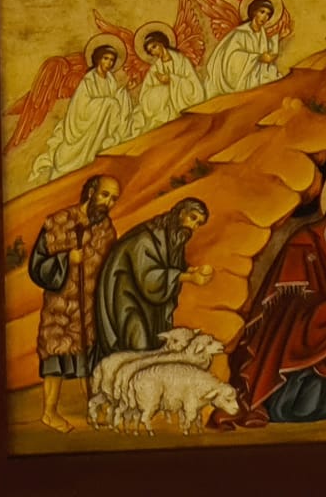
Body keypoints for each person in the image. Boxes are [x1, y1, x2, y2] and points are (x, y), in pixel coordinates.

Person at [217, 176, 326, 426]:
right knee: (291, 399)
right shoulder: (304, 241)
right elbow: (299, 297)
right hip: (298, 325)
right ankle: (284, 401)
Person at [28, 174, 121, 432]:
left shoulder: (106, 229)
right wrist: (66, 260)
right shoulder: (59, 221)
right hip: (60, 307)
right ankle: (49, 413)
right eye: (105, 195)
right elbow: (37, 265)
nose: (108, 202)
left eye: (113, 199)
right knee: (55, 355)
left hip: (89, 307)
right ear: (91, 192)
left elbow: (111, 266)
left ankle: (92, 409)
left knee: (87, 358)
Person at [91, 197, 213, 362]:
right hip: (127, 300)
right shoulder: (146, 238)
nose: (193, 226)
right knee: (138, 349)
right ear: (181, 213)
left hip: (146, 305)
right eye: (192, 218)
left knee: (152, 351)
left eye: (198, 223)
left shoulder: (172, 237)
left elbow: (169, 264)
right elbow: (149, 279)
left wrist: (189, 270)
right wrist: (187, 277)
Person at [29, 39, 137, 184]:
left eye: (112, 60)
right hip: (85, 126)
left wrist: (125, 90)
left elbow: (115, 100)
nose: (109, 63)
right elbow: (81, 107)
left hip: (101, 127)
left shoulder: (110, 80)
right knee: (70, 160)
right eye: (106, 58)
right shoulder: (89, 81)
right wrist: (106, 103)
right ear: (98, 59)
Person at [203, 0, 282, 97]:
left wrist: (275, 42)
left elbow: (270, 57)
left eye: (268, 14)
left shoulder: (264, 36)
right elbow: (230, 57)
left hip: (258, 80)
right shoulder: (240, 34)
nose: (265, 17)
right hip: (241, 82)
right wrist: (257, 57)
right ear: (254, 12)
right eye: (262, 12)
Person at [133, 28, 206, 129]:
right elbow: (144, 96)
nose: (153, 52)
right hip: (164, 112)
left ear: (161, 43)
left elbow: (194, 86)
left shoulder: (181, 61)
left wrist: (172, 79)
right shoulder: (154, 70)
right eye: (150, 51)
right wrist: (163, 90)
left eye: (154, 47)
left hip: (184, 106)